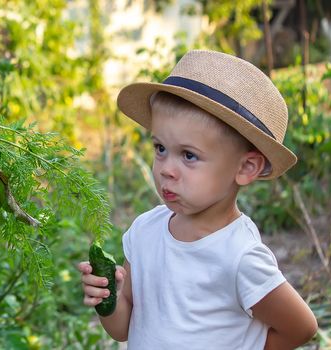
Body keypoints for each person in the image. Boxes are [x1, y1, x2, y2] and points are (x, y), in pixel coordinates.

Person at [79, 50, 318, 349]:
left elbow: (301, 327)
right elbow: (124, 329)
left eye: (188, 155)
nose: (166, 169)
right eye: (160, 148)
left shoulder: (239, 257)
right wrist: (109, 300)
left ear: (245, 168)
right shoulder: (144, 232)